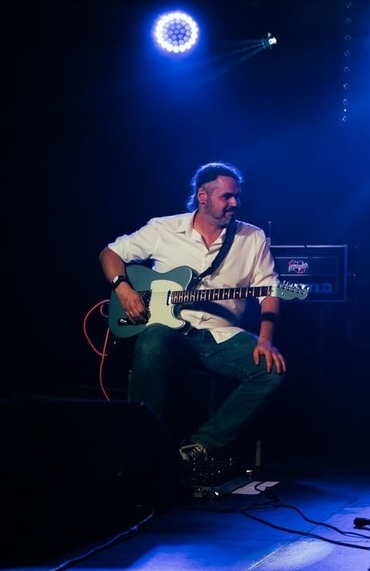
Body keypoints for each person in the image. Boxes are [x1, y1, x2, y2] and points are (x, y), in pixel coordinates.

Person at [101, 161, 287, 476]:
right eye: (226, 196)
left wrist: (266, 339)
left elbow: (270, 291)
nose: (234, 203)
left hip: (222, 336)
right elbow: (110, 253)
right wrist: (123, 289)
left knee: (271, 371)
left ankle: (199, 446)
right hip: (169, 333)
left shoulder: (252, 237)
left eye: (237, 196)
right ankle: (142, 446)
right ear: (203, 196)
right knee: (153, 338)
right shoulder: (163, 229)